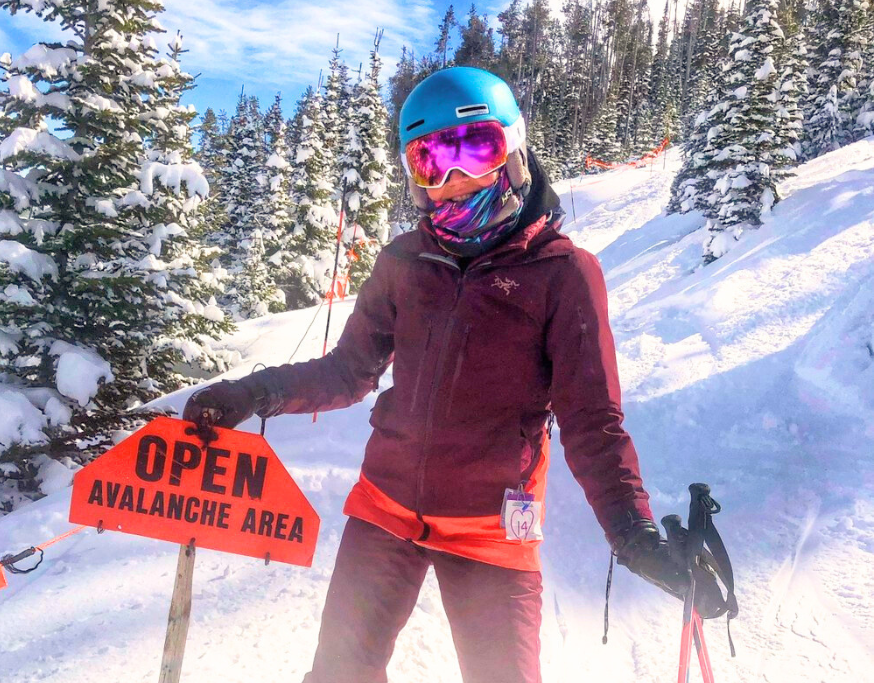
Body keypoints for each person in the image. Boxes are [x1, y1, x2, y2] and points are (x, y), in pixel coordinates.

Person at [183, 67, 719, 683]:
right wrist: (251, 394)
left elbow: (592, 421)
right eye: (429, 161)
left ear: (513, 152)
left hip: (492, 530)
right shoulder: (405, 262)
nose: (452, 180)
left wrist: (634, 535)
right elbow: (348, 370)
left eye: (474, 150)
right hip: (385, 511)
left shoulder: (564, 275)